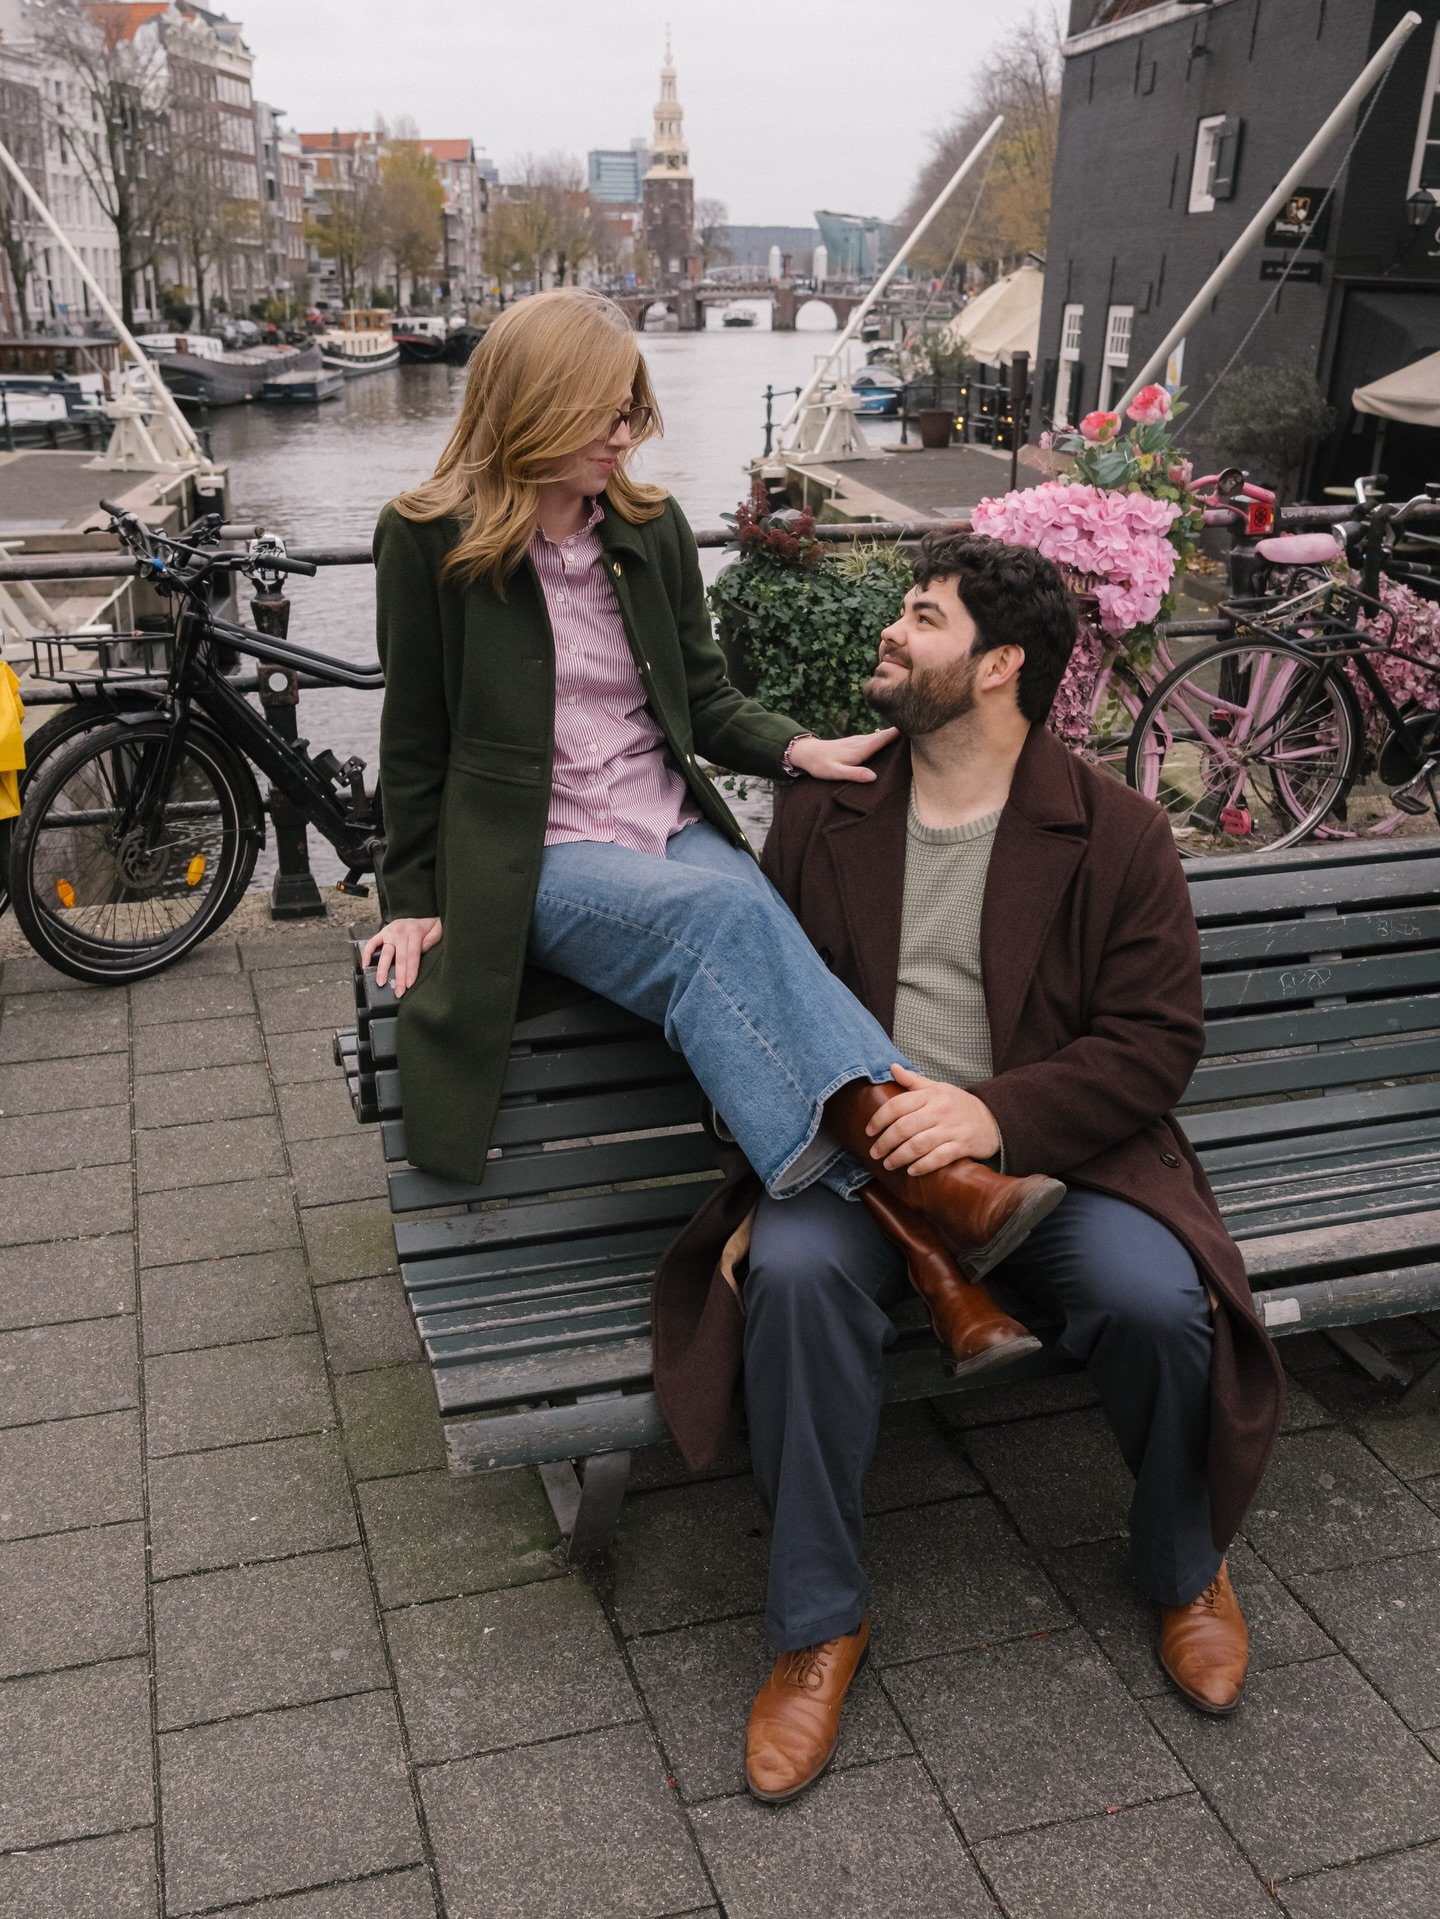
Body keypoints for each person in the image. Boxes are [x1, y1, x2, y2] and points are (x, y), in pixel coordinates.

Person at [649, 532, 1287, 1806]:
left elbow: (1156, 1043)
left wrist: (989, 1118)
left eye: (922, 617)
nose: (892, 631)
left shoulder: (1115, 830)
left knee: (1158, 1300)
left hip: (1045, 1169)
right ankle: (817, 1622)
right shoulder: (826, 808)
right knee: (795, 1284)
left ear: (998, 665)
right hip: (846, 1169)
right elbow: (749, 1001)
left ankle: (1183, 1561)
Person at [362, 288, 1062, 1358]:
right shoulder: (427, 538)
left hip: (660, 819)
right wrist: (411, 899)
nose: (624, 434)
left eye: (632, 410)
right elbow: (412, 737)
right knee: (722, 922)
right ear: (534, 405)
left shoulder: (647, 530)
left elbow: (702, 695)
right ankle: (941, 1178)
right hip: (536, 854)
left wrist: (796, 746)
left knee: (751, 914)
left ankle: (928, 1255)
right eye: (604, 413)